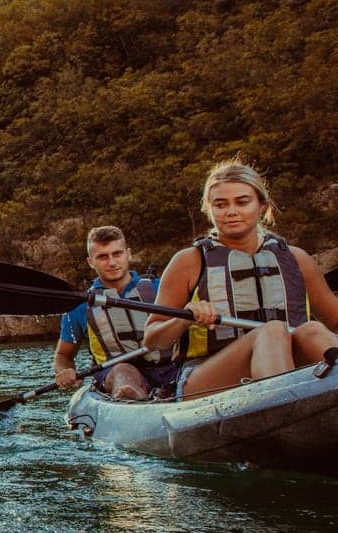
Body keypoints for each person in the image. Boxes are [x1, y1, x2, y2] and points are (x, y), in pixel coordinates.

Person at [141, 160, 338, 397]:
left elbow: (334, 321)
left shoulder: (296, 259)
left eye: (242, 202)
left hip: (289, 367)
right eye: (221, 205)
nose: (231, 211)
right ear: (209, 210)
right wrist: (184, 319)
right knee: (272, 331)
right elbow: (152, 340)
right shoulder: (189, 261)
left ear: (261, 206)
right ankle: (285, 411)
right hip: (208, 377)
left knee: (312, 330)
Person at [52, 225, 175, 401]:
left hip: (171, 369)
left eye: (117, 254)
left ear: (128, 254)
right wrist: (64, 371)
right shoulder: (79, 307)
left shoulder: (160, 288)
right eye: (102, 257)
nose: (111, 262)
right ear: (90, 262)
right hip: (115, 374)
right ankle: (131, 397)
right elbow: (64, 355)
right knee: (122, 371)